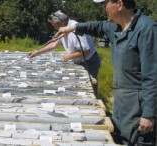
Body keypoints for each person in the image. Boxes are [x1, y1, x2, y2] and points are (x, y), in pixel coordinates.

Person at [55, 0, 156, 144]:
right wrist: (72, 28)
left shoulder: (147, 29)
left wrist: (149, 114)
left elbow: (152, 75)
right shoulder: (116, 27)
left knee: (136, 140)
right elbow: (96, 26)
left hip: (138, 102)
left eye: (105, 5)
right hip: (120, 100)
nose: (104, 9)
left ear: (119, 4)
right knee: (119, 137)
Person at [28, 10, 101, 95]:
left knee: (90, 86)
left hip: (89, 61)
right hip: (79, 60)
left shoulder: (75, 28)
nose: (53, 27)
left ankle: (94, 100)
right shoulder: (62, 29)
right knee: (80, 86)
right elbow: (54, 44)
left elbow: (86, 51)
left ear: (61, 23)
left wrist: (70, 56)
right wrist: (37, 52)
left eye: (54, 25)